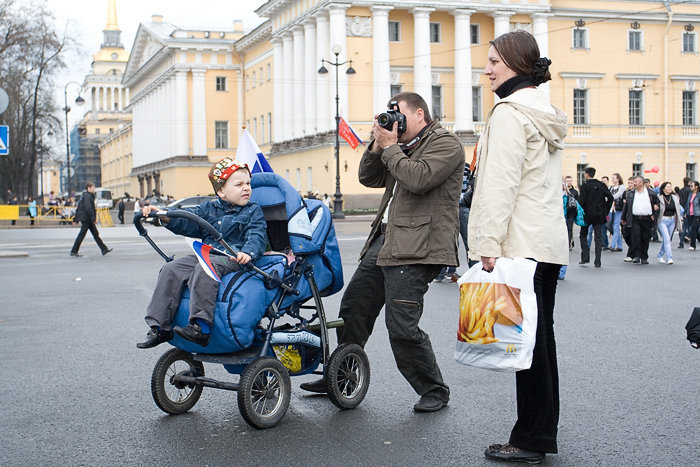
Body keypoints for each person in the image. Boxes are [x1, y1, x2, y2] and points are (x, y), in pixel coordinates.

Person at [299, 91, 463, 413]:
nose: (395, 122)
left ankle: (434, 389)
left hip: (419, 248)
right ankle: (341, 376)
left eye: (399, 115)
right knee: (354, 308)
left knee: (401, 325)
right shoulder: (400, 147)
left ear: (419, 114)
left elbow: (418, 179)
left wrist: (390, 147)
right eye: (390, 116)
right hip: (386, 241)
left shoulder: (446, 144)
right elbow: (368, 176)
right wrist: (377, 143)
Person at [468, 30, 568, 464]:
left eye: (494, 61)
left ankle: (530, 439)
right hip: (544, 241)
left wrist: (487, 243)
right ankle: (539, 432)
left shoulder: (509, 113)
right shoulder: (543, 110)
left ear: (516, 65)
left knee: (528, 346)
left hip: (521, 243)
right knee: (540, 343)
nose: (486, 69)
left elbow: (499, 184)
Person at [136, 158, 267, 349]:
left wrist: (249, 252)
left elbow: (257, 234)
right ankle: (159, 326)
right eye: (239, 184)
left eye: (248, 183)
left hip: (233, 256)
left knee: (205, 268)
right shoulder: (208, 208)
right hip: (207, 253)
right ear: (221, 191)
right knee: (171, 268)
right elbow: (188, 221)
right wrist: (165, 215)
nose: (246, 188)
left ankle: (201, 327)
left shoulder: (253, 211)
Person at [577, 167, 613, 268]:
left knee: (583, 234)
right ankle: (598, 261)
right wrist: (605, 209)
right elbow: (610, 197)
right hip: (599, 214)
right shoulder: (601, 185)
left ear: (587, 174)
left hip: (587, 214)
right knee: (598, 237)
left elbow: (581, 201)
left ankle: (585, 256)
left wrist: (579, 212)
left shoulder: (585, 186)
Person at [621, 175, 659, 264]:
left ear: (641, 183)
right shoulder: (631, 193)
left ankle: (644, 257)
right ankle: (636, 256)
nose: (634, 183)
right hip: (635, 218)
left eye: (636, 182)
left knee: (645, 238)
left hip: (647, 219)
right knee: (635, 237)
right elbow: (626, 206)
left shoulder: (651, 193)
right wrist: (623, 217)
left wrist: (655, 214)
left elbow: (657, 206)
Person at [70, 182, 113, 257]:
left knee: (95, 234)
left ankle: (104, 249)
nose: (94, 189)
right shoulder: (87, 196)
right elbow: (88, 208)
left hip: (87, 218)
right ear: (88, 188)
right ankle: (74, 251)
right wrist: (93, 219)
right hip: (87, 219)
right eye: (93, 187)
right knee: (82, 234)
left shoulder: (88, 195)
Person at [655, 182, 682, 264]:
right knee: (666, 239)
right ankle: (669, 258)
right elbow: (656, 207)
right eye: (668, 187)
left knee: (667, 239)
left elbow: (678, 208)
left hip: (672, 220)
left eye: (670, 186)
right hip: (662, 220)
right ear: (664, 189)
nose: (670, 188)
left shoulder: (674, 197)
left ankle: (660, 255)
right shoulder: (659, 197)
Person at [608, 173, 626, 252]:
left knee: (616, 226)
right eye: (612, 178)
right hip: (611, 210)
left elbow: (617, 195)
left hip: (619, 209)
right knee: (610, 225)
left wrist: (609, 197)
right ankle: (619, 246)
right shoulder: (611, 187)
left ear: (618, 179)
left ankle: (612, 245)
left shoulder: (622, 187)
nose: (613, 179)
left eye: (614, 178)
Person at [563, 176, 578, 250]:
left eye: (570, 181)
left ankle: (569, 244)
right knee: (563, 229)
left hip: (571, 212)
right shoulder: (561, 191)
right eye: (567, 181)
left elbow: (578, 202)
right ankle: (566, 243)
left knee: (569, 228)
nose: (569, 182)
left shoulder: (574, 192)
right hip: (563, 213)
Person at [678, 177, 692, 247]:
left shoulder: (681, 190)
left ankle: (681, 242)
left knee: (682, 226)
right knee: (690, 225)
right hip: (688, 210)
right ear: (689, 182)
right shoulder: (690, 190)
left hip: (681, 209)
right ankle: (688, 235)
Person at [686, 180, 700, 251]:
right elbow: (687, 204)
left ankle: (692, 245)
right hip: (690, 214)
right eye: (690, 186)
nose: (690, 187)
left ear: (696, 187)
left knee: (693, 229)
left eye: (692, 186)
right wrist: (685, 212)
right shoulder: (690, 194)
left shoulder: (699, 195)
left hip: (697, 214)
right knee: (695, 231)